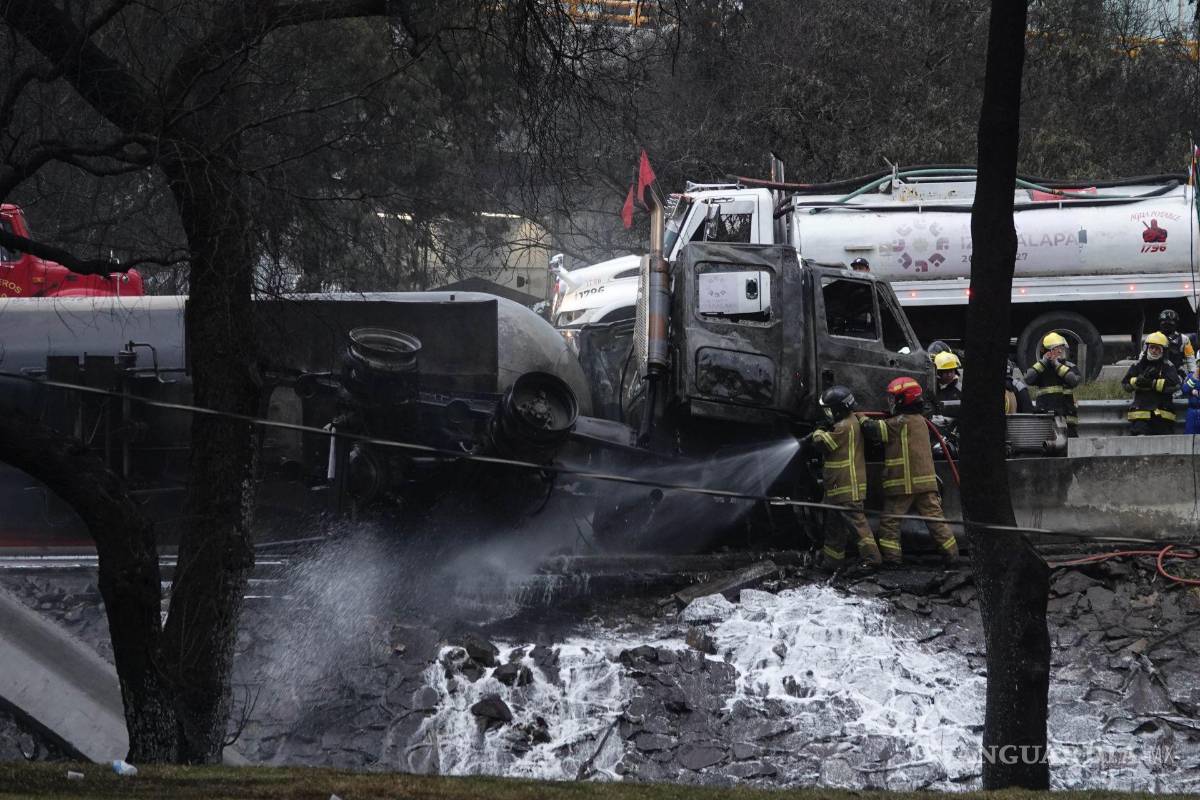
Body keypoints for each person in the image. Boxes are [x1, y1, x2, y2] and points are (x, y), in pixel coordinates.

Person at [860, 377, 959, 568]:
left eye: (893, 398)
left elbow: (873, 429)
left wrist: (860, 416)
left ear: (903, 400)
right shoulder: (921, 421)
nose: (890, 402)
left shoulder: (898, 423)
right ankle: (952, 557)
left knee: (890, 524)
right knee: (936, 521)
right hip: (927, 483)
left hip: (903, 483)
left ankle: (892, 561)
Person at [806, 386, 882, 573]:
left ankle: (873, 559)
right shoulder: (850, 421)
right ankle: (832, 562)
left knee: (858, 526)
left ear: (839, 408)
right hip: (837, 488)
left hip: (847, 487)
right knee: (835, 528)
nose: (828, 414)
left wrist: (818, 431)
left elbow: (822, 443)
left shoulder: (844, 426)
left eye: (829, 410)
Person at [1123, 331, 1180, 435]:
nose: (1154, 351)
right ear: (1147, 348)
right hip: (1141, 415)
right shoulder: (1138, 365)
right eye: (1152, 347)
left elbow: (1175, 385)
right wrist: (1137, 382)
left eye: (1158, 348)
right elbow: (1125, 384)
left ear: (1163, 351)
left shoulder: (1168, 366)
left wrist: (1153, 384)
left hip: (1162, 415)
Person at [1025, 332, 1081, 436]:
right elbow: (1028, 379)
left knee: (1068, 449)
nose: (1061, 350)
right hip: (1046, 419)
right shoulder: (1041, 368)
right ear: (1050, 351)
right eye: (1058, 348)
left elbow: (1074, 381)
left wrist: (1057, 365)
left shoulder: (1069, 366)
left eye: (1062, 348)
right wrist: (1043, 362)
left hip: (1067, 420)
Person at [1156, 309, 1196, 382]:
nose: (1167, 326)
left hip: (1176, 372)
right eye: (1164, 324)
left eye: (1170, 324)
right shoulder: (1153, 338)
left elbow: (1190, 357)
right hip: (1157, 371)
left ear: (1175, 324)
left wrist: (1192, 374)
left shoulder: (1184, 339)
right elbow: (1143, 356)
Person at [1184, 366, 1200, 434]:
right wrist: (1194, 378)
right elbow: (1185, 389)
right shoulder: (1191, 375)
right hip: (1192, 411)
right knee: (1189, 437)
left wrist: (1197, 393)